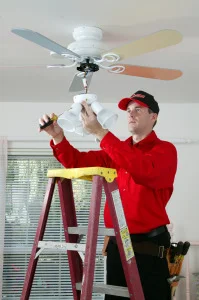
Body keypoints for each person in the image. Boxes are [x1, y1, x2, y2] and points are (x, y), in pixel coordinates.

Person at [39, 90, 177, 300]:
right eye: (129, 110)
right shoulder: (115, 152)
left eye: (138, 109)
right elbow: (76, 162)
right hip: (116, 247)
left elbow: (142, 170)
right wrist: (58, 137)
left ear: (153, 116)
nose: (131, 114)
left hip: (149, 250)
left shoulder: (165, 151)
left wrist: (101, 133)